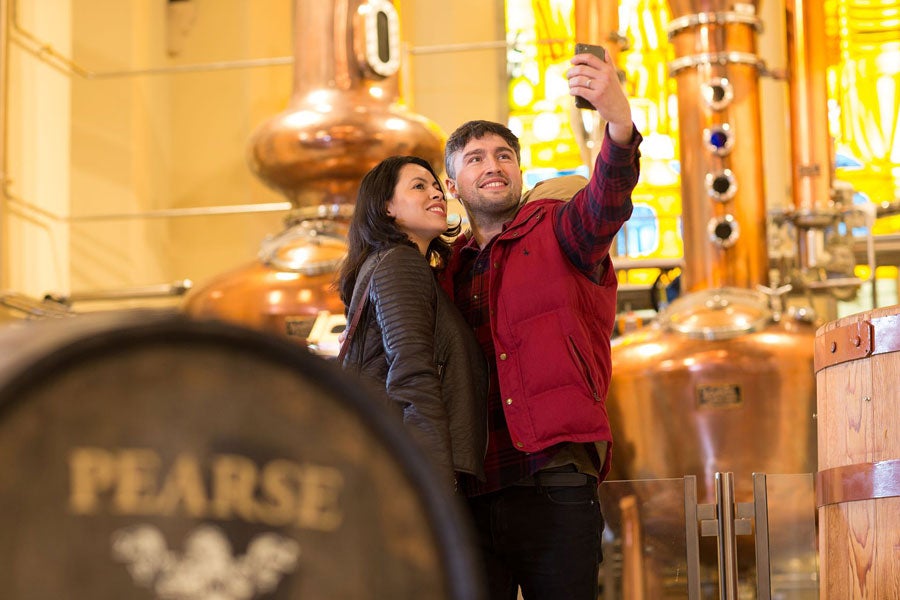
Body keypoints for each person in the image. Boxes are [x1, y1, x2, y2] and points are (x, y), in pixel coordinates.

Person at [437, 48, 642, 599]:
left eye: (504, 155)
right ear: (452, 186)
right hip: (471, 489)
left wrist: (618, 124)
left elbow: (607, 200)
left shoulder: (560, 230)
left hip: (555, 473)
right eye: (475, 159)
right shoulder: (446, 268)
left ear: (520, 173)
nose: (493, 165)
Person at [337, 155, 488, 494]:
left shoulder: (388, 263)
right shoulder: (400, 263)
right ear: (387, 207)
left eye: (436, 186)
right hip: (406, 472)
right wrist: (434, 482)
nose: (436, 194)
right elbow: (412, 373)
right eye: (419, 186)